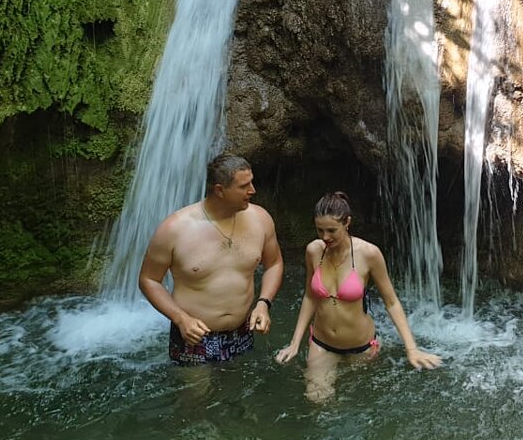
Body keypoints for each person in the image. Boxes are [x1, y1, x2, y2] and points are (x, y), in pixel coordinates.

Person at [275, 191, 441, 399]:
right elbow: (310, 296)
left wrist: (412, 349)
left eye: (331, 230)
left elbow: (391, 303)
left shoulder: (369, 254)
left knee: (357, 401)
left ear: (347, 223)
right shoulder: (313, 251)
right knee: (317, 399)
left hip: (361, 347)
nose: (325, 237)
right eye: (319, 230)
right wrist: (294, 343)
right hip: (321, 342)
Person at [138, 153, 284, 365]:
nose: (253, 190)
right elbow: (148, 280)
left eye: (251, 182)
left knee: (237, 392)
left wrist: (263, 303)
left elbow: (274, 264)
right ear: (220, 190)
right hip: (193, 334)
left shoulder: (260, 219)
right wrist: (180, 319)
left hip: (243, 330)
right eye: (244, 186)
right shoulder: (175, 229)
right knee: (198, 397)